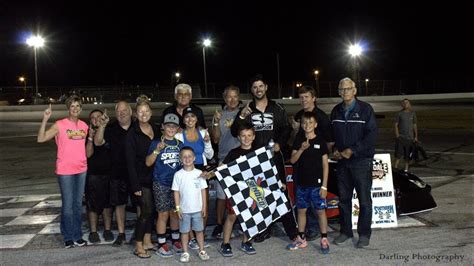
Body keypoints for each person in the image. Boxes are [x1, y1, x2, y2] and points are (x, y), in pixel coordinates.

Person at [231, 74, 297, 243]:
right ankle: (263, 229)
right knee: (258, 196)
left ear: (266, 87)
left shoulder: (277, 108)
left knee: (280, 193)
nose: (258, 90)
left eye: (260, 86)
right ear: (251, 90)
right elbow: (234, 132)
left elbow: (286, 129)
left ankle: (292, 231)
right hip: (253, 161)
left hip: (274, 158)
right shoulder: (247, 109)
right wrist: (240, 117)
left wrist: (279, 144)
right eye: (254, 87)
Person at [330, 77, 378, 248]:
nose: (345, 92)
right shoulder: (335, 111)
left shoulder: (365, 109)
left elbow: (371, 136)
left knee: (364, 200)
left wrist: (352, 150)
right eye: (341, 89)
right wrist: (335, 149)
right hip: (342, 163)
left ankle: (364, 234)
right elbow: (334, 137)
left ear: (355, 90)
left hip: (361, 162)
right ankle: (345, 232)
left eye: (348, 89)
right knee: (344, 200)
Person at [37, 95, 88, 248]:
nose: (75, 109)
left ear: (81, 108)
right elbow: (41, 138)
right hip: (65, 170)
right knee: (68, 205)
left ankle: (77, 235)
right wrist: (45, 119)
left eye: (78, 106)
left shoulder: (84, 126)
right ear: (68, 108)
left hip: (81, 169)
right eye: (72, 106)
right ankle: (67, 237)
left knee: (78, 205)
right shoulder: (60, 125)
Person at [291, 85, 333, 241]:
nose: (303, 100)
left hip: (317, 167)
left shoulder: (321, 117)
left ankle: (315, 229)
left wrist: (319, 153)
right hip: (301, 167)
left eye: (306, 97)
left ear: (314, 98)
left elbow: (329, 141)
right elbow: (296, 141)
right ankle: (304, 230)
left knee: (317, 205)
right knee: (302, 203)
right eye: (301, 97)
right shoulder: (299, 115)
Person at [210, 123, 257, 257]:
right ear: (238, 137)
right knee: (232, 216)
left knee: (250, 217)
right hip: (236, 190)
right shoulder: (234, 153)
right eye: (243, 136)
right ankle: (225, 243)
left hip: (252, 189)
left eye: (249, 135)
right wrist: (210, 174)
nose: (246, 138)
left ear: (253, 137)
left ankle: (246, 241)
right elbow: (221, 167)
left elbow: (266, 171)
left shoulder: (258, 152)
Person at [287, 112, 330, 254]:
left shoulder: (320, 141)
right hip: (301, 184)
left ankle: (324, 238)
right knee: (301, 210)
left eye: (310, 123)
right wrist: (301, 149)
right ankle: (301, 238)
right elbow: (292, 160)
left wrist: (324, 185)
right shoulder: (299, 140)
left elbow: (325, 165)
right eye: (304, 123)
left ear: (315, 124)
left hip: (317, 185)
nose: (307, 125)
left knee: (320, 211)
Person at [94, 100, 133, 246]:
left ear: (130, 111)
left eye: (124, 110)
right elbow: (98, 142)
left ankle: (141, 233)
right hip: (117, 173)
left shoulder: (137, 127)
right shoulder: (110, 128)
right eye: (119, 111)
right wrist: (102, 125)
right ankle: (121, 234)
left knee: (141, 204)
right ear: (115, 114)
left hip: (136, 174)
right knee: (119, 204)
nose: (122, 113)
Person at [126, 97, 161, 258]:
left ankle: (147, 240)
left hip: (155, 176)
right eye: (140, 111)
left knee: (151, 211)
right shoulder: (132, 134)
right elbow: (130, 163)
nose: (144, 114)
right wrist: (136, 186)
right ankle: (138, 245)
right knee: (145, 211)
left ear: (151, 112)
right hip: (140, 179)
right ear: (135, 114)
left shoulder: (156, 128)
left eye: (146, 111)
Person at [175, 106, 214, 249]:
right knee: (187, 205)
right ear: (183, 119)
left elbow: (210, 156)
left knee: (203, 205)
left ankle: (200, 236)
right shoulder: (179, 135)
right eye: (187, 116)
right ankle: (191, 238)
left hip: (200, 172)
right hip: (185, 171)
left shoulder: (203, 132)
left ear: (197, 119)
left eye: (193, 116)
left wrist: (207, 141)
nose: (190, 119)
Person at [145, 113, 183, 257]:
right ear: (163, 127)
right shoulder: (156, 143)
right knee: (163, 214)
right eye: (168, 126)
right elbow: (148, 162)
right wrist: (157, 150)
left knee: (175, 213)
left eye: (174, 126)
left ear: (178, 128)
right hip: (161, 183)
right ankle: (162, 244)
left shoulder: (180, 145)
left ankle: (175, 240)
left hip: (176, 185)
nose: (171, 129)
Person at [209, 85, 242, 239]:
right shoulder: (219, 115)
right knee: (222, 196)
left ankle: (242, 223)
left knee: (241, 193)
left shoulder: (244, 113)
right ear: (224, 98)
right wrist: (215, 122)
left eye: (235, 96)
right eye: (229, 96)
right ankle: (219, 224)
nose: (232, 99)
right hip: (224, 159)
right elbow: (215, 139)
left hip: (242, 160)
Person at [172, 147, 210, 263]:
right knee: (184, 231)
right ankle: (185, 252)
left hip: (197, 209)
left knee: (199, 230)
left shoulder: (199, 174)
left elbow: (203, 191)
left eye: (189, 156)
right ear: (180, 159)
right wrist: (178, 208)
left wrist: (204, 207)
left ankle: (202, 250)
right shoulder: (178, 175)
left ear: (194, 158)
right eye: (184, 156)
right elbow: (176, 192)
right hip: (184, 210)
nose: (187, 158)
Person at [85, 109, 113, 244]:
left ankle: (107, 230)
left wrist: (102, 126)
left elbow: (100, 141)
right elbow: (88, 154)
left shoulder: (110, 130)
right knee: (92, 205)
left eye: (98, 116)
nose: (96, 119)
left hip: (108, 173)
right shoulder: (87, 134)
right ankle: (93, 231)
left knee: (107, 204)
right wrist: (89, 137)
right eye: (93, 118)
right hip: (93, 174)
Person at [394, 98, 418, 172]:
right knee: (398, 155)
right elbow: (396, 125)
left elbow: (415, 125)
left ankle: (406, 170)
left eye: (407, 103)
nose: (405, 104)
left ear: (409, 104)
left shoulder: (413, 113)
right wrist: (397, 135)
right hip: (401, 137)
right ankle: (395, 169)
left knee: (407, 155)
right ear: (402, 104)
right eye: (404, 103)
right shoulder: (399, 113)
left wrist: (416, 136)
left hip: (410, 138)